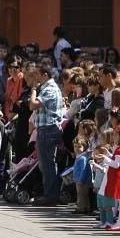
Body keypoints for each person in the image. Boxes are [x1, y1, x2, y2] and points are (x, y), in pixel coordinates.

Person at [28, 64, 64, 206]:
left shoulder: (49, 89)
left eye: (37, 74)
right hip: (46, 129)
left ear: (45, 75)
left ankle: (50, 196)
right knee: (46, 164)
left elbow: (33, 105)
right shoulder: (49, 88)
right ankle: (49, 194)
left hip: (48, 130)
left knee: (47, 164)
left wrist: (34, 89)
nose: (34, 77)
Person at [97, 126, 120, 231]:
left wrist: (105, 158)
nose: (114, 137)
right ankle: (119, 222)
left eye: (116, 135)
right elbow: (115, 159)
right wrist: (108, 154)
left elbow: (116, 164)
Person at [90, 129, 116, 229]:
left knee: (107, 206)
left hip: (106, 188)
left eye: (96, 154)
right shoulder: (100, 162)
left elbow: (105, 171)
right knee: (101, 207)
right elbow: (97, 177)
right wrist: (95, 186)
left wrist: (97, 166)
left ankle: (109, 222)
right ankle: (103, 221)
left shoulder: (105, 162)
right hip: (99, 188)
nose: (94, 156)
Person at [71, 137, 93, 215]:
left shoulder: (83, 158)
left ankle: (80, 208)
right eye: (75, 146)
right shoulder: (79, 156)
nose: (76, 149)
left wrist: (80, 180)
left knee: (81, 194)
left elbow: (83, 170)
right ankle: (86, 208)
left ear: (84, 147)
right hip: (79, 179)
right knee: (84, 195)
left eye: (79, 146)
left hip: (82, 181)